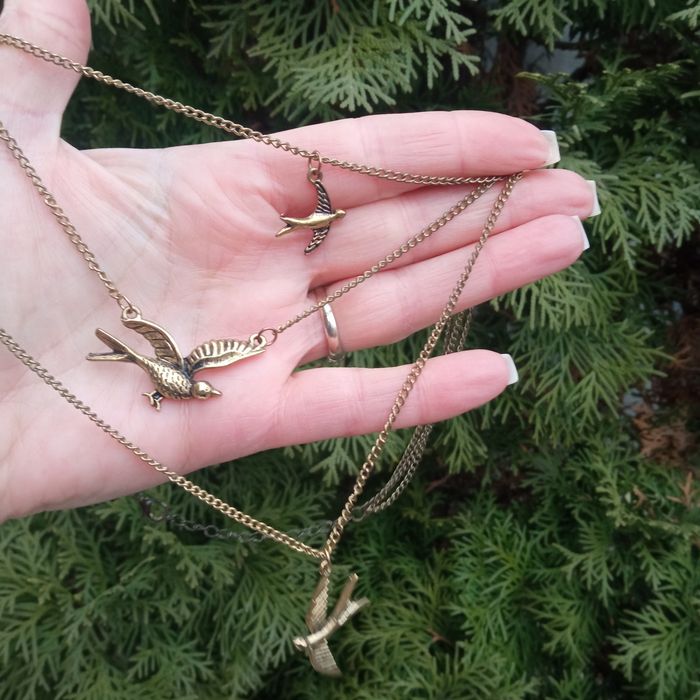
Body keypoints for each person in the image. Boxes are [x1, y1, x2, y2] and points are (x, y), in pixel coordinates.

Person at [0, 0, 598, 522]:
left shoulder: (188, 366)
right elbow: (206, 356)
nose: (204, 391)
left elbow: (212, 356)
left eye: (200, 390)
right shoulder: (183, 365)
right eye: (200, 390)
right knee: (145, 347)